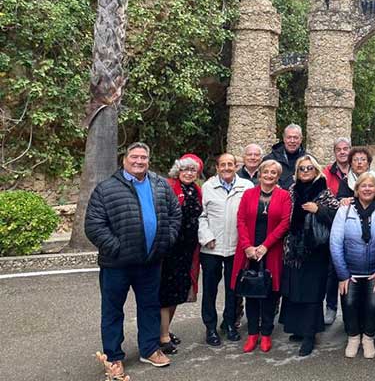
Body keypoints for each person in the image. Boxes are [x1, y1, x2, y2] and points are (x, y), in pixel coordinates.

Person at [85, 142, 181, 375]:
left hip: (150, 261)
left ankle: (149, 349)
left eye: (143, 157)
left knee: (150, 306)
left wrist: (164, 241)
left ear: (149, 160)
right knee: (112, 310)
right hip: (116, 263)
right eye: (134, 157)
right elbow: (94, 225)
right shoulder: (106, 188)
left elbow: (174, 214)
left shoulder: (160, 185)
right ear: (125, 160)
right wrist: (117, 247)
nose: (139, 161)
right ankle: (114, 357)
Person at [330, 173, 375, 359]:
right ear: (357, 190)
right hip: (350, 270)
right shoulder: (344, 211)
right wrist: (343, 274)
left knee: (374, 304)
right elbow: (335, 243)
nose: (367, 189)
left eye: (371, 186)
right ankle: (353, 337)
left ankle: (368, 338)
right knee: (349, 303)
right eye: (363, 186)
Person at [280, 155, 340, 356]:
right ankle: (298, 328)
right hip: (294, 249)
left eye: (309, 168)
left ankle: (309, 335)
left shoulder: (324, 192)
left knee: (312, 293)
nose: (305, 172)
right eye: (301, 169)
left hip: (316, 251)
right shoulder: (291, 191)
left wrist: (319, 209)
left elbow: (336, 218)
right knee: (295, 290)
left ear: (316, 171)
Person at [232, 160, 291, 354]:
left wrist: (265, 246)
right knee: (250, 293)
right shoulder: (249, 194)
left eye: (273, 173)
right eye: (266, 172)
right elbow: (240, 220)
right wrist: (248, 247)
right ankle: (252, 334)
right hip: (249, 252)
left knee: (269, 294)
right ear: (260, 174)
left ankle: (266, 334)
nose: (269, 175)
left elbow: (284, 223)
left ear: (277, 176)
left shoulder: (283, 196)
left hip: (270, 251)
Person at [198, 153, 254, 346]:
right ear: (217, 167)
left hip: (236, 247)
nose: (227, 168)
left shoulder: (246, 186)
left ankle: (230, 323)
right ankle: (210, 327)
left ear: (236, 166)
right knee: (210, 289)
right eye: (223, 165)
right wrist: (206, 237)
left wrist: (246, 242)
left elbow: (249, 215)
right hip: (212, 247)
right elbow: (201, 216)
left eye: (231, 164)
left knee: (234, 289)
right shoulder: (208, 187)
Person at [158, 154, 204, 355]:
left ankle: (165, 329)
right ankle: (163, 336)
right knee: (166, 293)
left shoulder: (196, 189)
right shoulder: (168, 187)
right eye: (185, 169)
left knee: (178, 292)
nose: (188, 173)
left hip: (188, 250)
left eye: (192, 170)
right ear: (178, 170)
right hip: (170, 249)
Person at [322, 138, 351, 326]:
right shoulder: (326, 173)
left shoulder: (359, 169)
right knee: (333, 270)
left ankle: (350, 310)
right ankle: (331, 307)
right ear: (334, 152)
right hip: (332, 225)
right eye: (338, 149)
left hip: (355, 227)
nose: (342, 152)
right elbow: (323, 197)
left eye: (345, 149)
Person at [264, 124, 305, 189]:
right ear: (284, 138)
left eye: (295, 138)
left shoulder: (309, 161)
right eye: (289, 137)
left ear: (301, 139)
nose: (292, 141)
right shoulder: (270, 160)